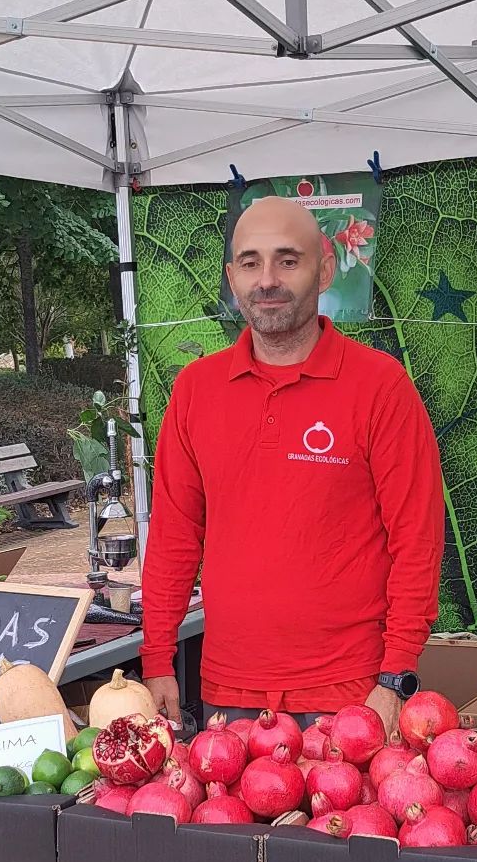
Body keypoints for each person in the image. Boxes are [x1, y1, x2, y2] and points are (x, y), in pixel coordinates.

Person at [140, 195, 443, 737]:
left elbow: (416, 540)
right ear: (232, 278)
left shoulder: (381, 386)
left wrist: (395, 676)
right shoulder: (195, 390)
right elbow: (173, 537)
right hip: (228, 695)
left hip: (352, 695)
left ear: (324, 270)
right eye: (250, 263)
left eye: (287, 260)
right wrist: (157, 656)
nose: (267, 280)